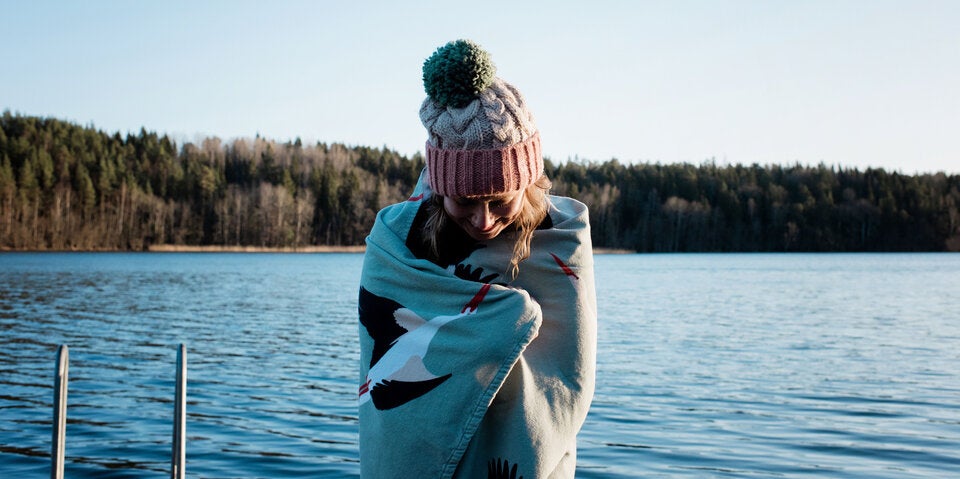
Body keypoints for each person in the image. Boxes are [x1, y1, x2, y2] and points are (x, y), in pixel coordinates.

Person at [358, 39, 597, 479]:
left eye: (500, 200)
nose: (483, 220)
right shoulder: (398, 238)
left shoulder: (560, 238)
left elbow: (567, 377)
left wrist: (499, 319)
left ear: (526, 182)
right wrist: (507, 316)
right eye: (465, 201)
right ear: (440, 189)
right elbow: (386, 363)